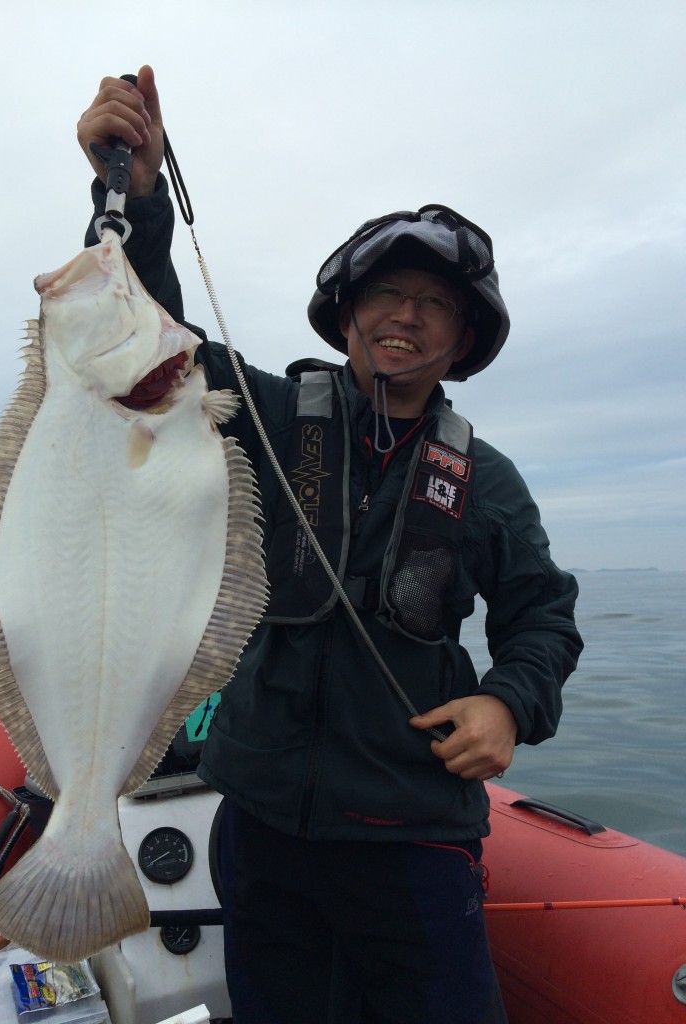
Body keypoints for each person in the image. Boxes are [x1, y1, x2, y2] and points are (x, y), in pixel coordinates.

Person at [77, 67, 583, 1024]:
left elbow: (542, 619)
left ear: (464, 335)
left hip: (415, 836)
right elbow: (146, 344)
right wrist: (138, 200)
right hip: (261, 824)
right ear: (346, 313)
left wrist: (509, 705)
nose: (404, 315)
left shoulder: (491, 483)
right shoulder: (265, 417)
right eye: (385, 293)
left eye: (434, 303)